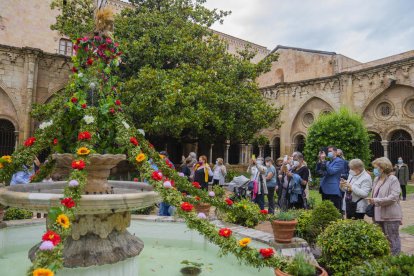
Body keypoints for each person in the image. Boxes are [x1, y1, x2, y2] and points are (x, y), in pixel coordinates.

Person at [367, 157, 402, 255]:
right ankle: (385, 259)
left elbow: (394, 197)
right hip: (377, 214)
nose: (374, 170)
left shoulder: (393, 179)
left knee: (392, 238)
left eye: (376, 167)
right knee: (382, 239)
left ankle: (395, 260)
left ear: (382, 168)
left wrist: (376, 200)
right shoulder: (376, 179)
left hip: (390, 215)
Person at [319, 146, 345, 211]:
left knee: (335, 210)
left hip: (333, 190)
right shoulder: (328, 162)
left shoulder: (339, 161)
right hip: (325, 188)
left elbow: (331, 172)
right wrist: (320, 161)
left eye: (330, 151)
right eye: (328, 151)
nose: (328, 153)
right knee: (326, 210)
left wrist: (324, 161)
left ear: (335, 152)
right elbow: (320, 172)